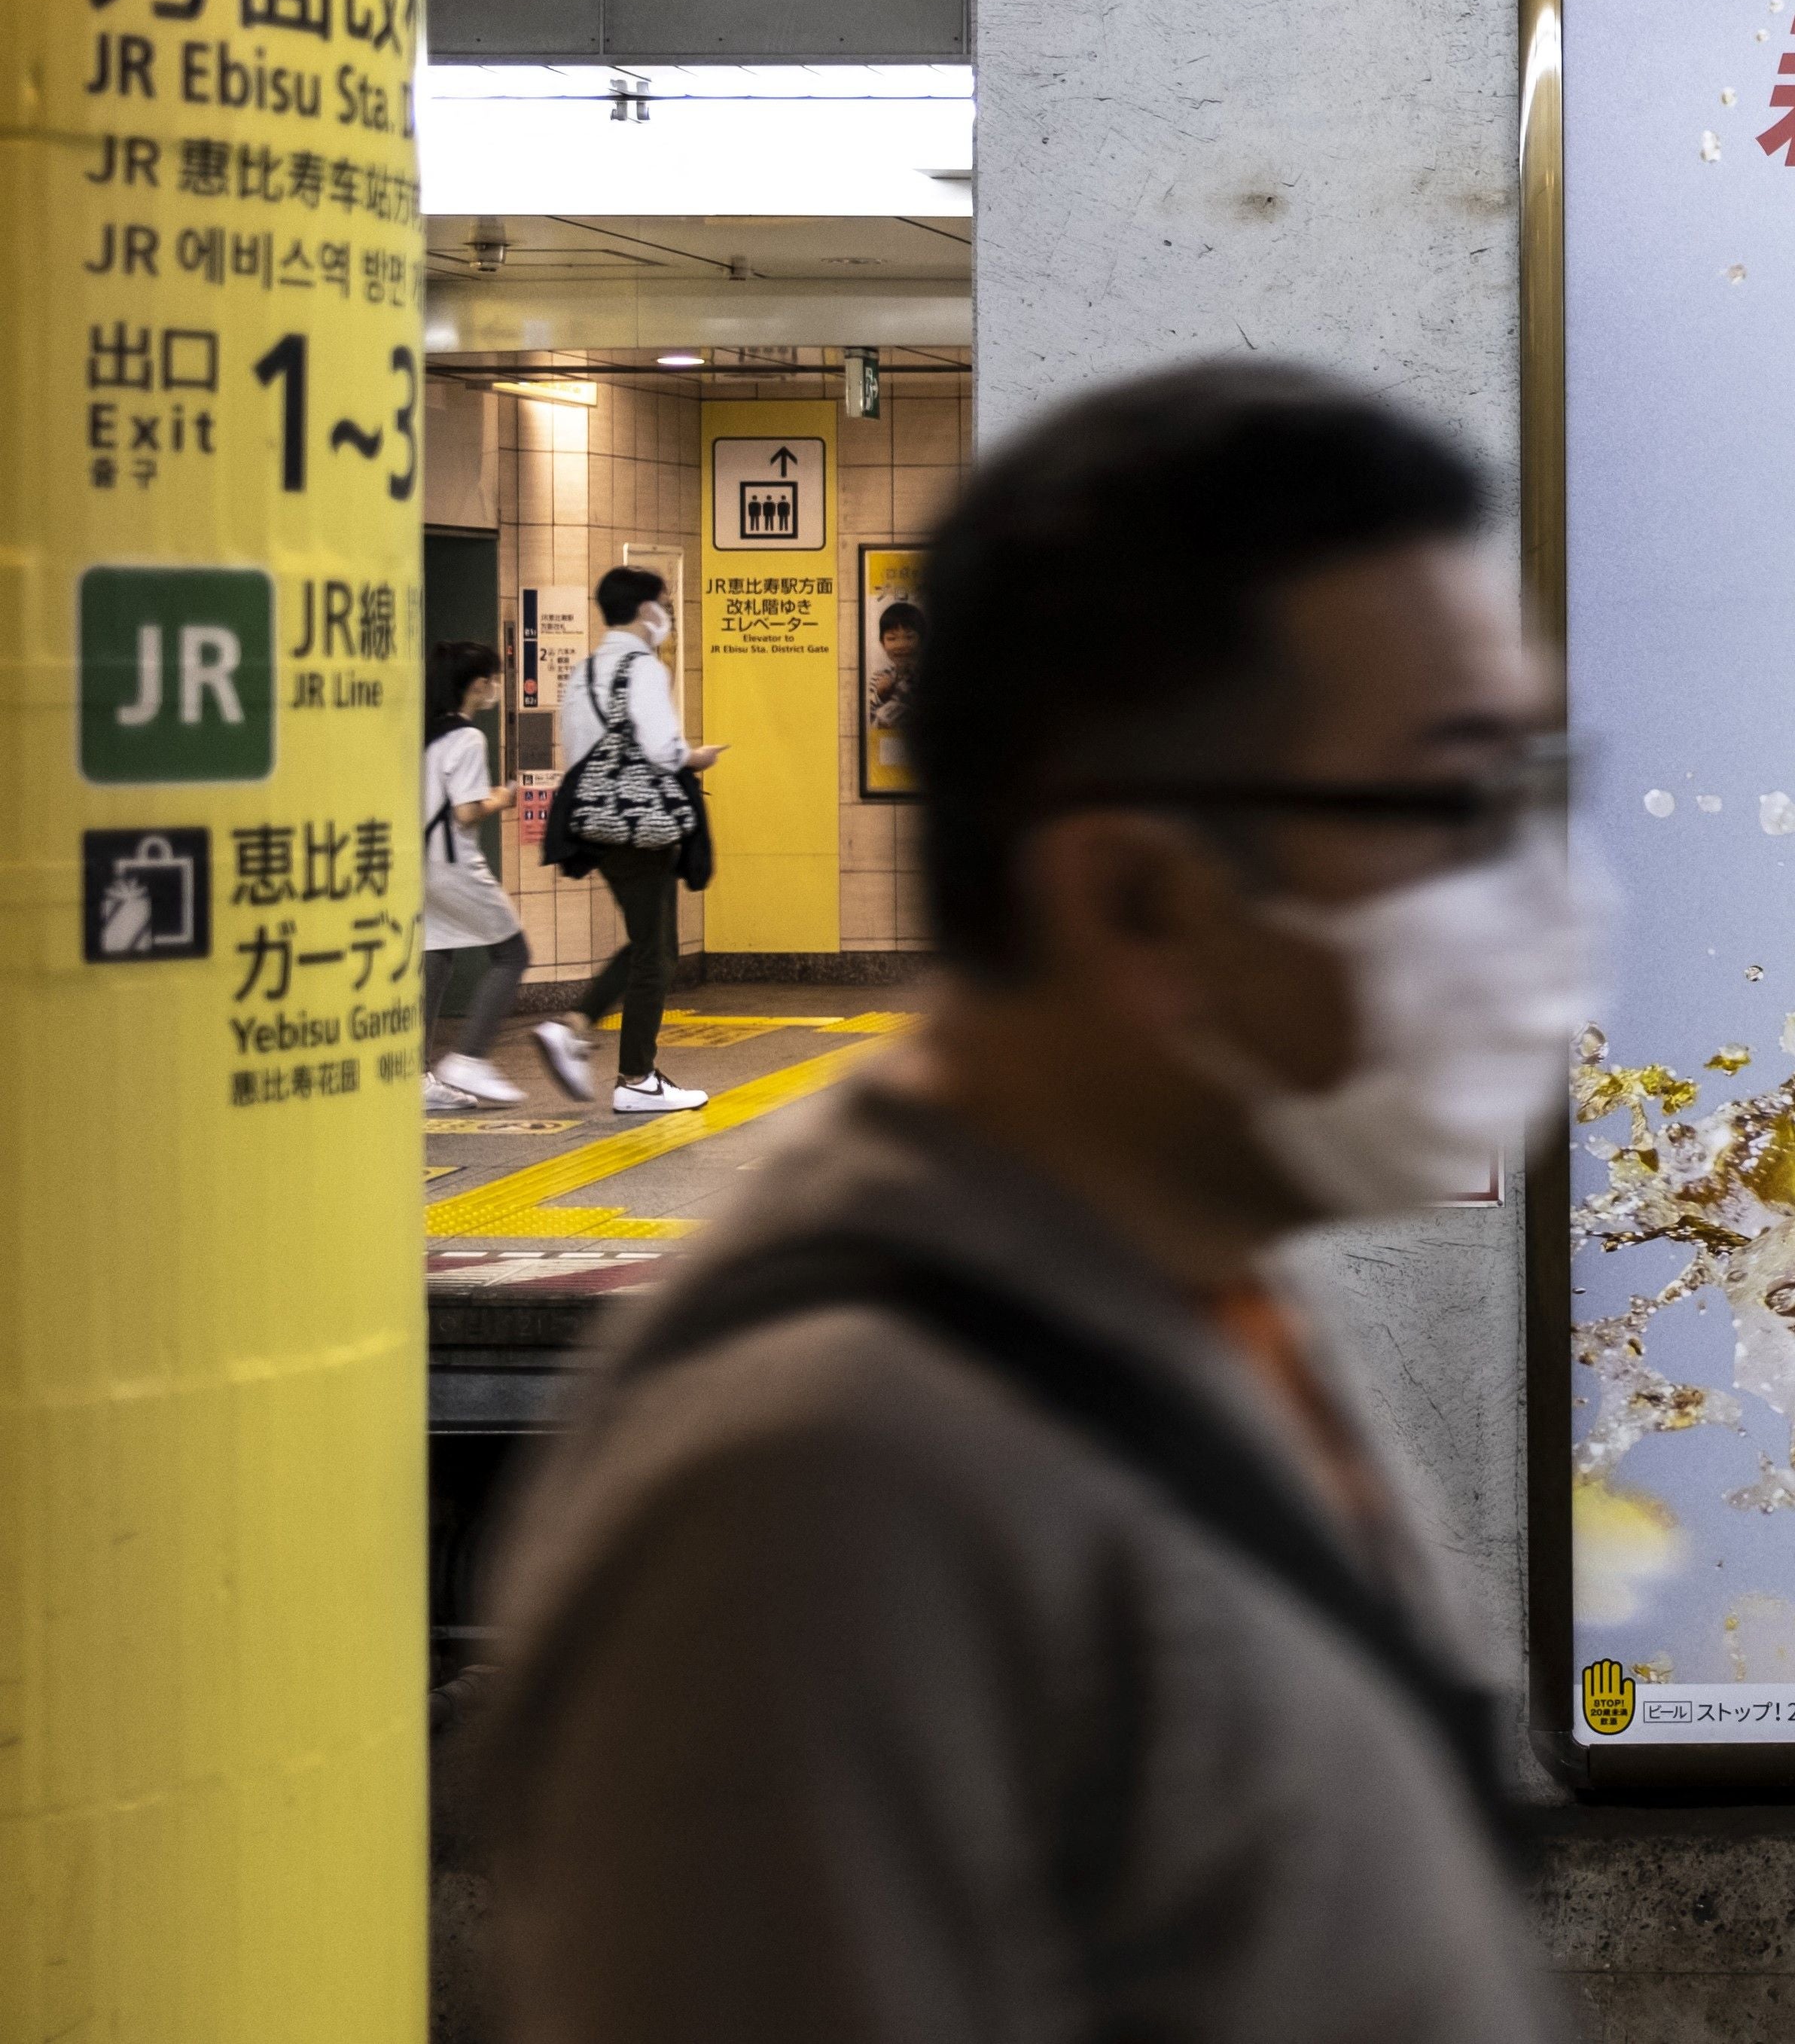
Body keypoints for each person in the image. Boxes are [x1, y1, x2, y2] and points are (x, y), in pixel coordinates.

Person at [478, 363, 1583, 2044]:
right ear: (1135, 893)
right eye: (1448, 806)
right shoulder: (821, 1496)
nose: (1532, 893)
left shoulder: (1167, 1266)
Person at [540, 564, 726, 1117]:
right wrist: (696, 757)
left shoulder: (584, 670)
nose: (666, 614)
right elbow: (662, 748)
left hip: (595, 822)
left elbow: (579, 750)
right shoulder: (642, 668)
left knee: (652, 942)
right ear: (646, 609)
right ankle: (634, 1077)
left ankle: (576, 1026)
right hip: (641, 824)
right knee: (657, 953)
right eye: (663, 604)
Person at [421, 642, 536, 1112]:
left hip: (421, 864)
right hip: (454, 863)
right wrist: (501, 799)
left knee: (436, 954)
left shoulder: (427, 734)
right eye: (492, 678)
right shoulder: (468, 737)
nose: (496, 687)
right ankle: (469, 1057)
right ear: (476, 685)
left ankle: (416, 1075)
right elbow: (466, 813)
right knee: (513, 953)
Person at [867, 596, 923, 729]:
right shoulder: (879, 678)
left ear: (922, 640)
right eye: (892, 639)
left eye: (909, 637)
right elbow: (867, 717)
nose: (901, 645)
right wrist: (879, 695)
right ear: (882, 643)